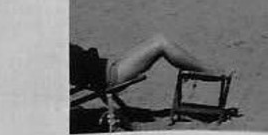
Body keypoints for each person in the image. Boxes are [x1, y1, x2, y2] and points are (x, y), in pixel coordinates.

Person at [69, 35, 222, 95]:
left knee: (155, 40)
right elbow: (84, 69)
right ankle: (209, 72)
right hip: (111, 75)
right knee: (161, 44)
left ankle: (193, 67)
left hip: (108, 67)